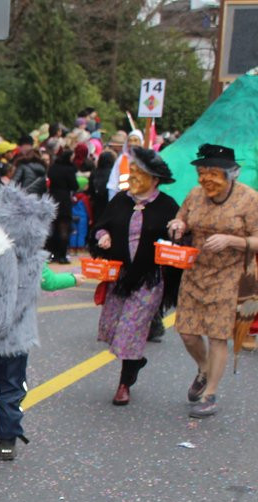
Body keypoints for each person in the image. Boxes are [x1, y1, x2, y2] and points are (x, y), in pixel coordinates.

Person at [0, 185, 83, 460]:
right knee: (12, 389)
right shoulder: (36, 260)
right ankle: (7, 441)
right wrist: (74, 278)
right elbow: (50, 282)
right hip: (17, 339)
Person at [168, 144, 258, 418]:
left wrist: (233, 240)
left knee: (218, 336)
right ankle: (204, 369)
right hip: (195, 272)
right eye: (202, 172)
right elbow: (181, 218)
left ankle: (210, 395)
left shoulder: (249, 199)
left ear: (232, 174)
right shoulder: (195, 195)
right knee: (187, 332)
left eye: (213, 172)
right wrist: (178, 225)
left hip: (230, 275)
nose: (206, 178)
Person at [89, 147, 179, 406]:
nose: (134, 177)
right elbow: (101, 225)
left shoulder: (167, 205)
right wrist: (102, 236)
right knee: (111, 327)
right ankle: (136, 361)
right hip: (120, 275)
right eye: (133, 171)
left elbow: (180, 237)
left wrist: (176, 230)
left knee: (130, 329)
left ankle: (124, 383)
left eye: (140, 173)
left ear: (155, 180)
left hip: (149, 278)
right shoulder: (120, 200)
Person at [46, 148, 79, 263]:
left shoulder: (53, 168)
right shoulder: (69, 170)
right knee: (64, 227)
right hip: (64, 199)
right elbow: (74, 185)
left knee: (53, 227)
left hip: (52, 198)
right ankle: (62, 255)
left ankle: (51, 252)